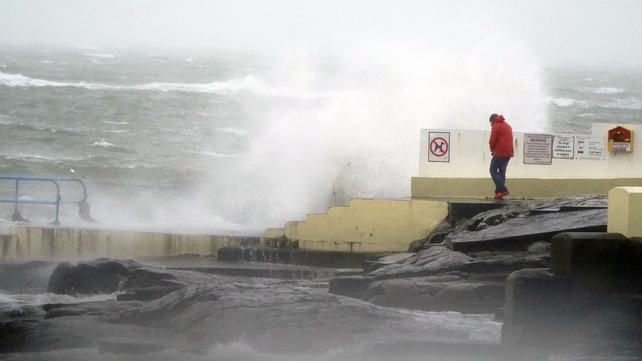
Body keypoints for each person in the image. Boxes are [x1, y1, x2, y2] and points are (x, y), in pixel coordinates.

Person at [488, 113, 513, 199]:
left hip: (500, 152)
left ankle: (502, 189)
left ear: (492, 120)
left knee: (493, 170)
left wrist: (492, 150)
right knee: (502, 171)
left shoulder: (496, 125)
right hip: (508, 153)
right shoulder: (507, 125)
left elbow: (492, 140)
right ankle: (499, 192)